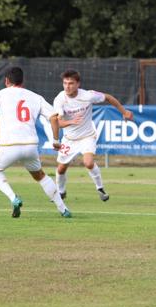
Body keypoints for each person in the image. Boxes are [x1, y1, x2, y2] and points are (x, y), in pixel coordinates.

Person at [0, 66, 70, 218]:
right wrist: (55, 140)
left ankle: (14, 198)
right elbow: (54, 117)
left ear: (6, 81)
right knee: (40, 176)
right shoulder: (35, 97)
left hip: (9, 145)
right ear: (22, 81)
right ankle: (63, 209)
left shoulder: (0, 94)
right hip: (30, 146)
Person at [52, 70, 133, 206]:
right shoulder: (60, 99)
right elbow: (58, 123)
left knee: (88, 162)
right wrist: (71, 122)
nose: (67, 86)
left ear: (78, 84)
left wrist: (124, 112)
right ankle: (61, 191)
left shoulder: (88, 96)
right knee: (61, 169)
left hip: (87, 136)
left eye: (71, 83)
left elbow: (108, 97)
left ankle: (100, 189)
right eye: (65, 83)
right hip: (69, 139)